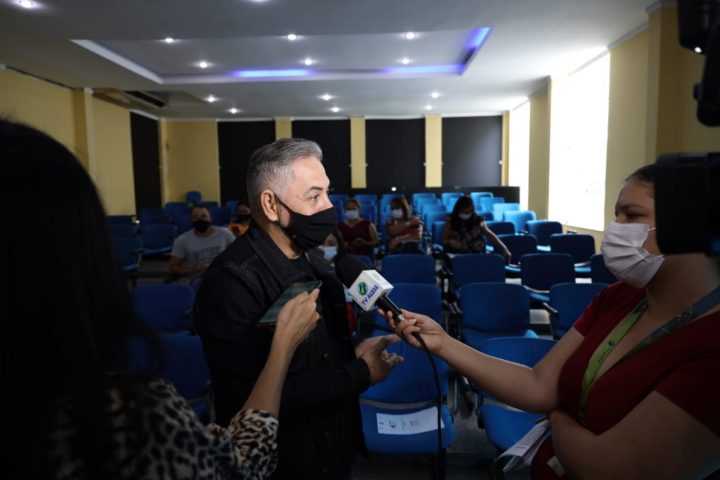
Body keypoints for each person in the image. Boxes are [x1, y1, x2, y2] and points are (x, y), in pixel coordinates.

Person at [1, 119, 322, 479]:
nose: (327, 206)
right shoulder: (123, 420)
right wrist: (282, 348)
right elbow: (239, 467)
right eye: (315, 195)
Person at [388, 164, 720, 479]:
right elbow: (539, 385)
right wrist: (444, 342)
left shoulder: (711, 342)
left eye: (631, 215)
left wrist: (560, 415)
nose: (616, 228)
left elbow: (605, 470)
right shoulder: (618, 297)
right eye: (616, 215)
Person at [194, 138, 402, 480]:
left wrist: (351, 351)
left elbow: (315, 354)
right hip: (284, 462)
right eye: (314, 196)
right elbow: (251, 398)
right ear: (271, 205)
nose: (329, 207)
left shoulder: (317, 263)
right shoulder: (231, 282)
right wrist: (360, 373)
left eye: (328, 193)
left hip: (333, 448)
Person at [169, 205, 235, 281]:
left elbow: (238, 253)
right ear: (191, 220)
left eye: (204, 216)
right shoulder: (182, 239)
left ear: (210, 218)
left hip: (224, 275)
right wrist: (193, 270)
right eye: (196, 217)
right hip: (199, 278)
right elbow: (173, 267)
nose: (200, 220)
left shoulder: (225, 233)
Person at [443, 195, 511, 260]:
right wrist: (450, 242)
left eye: (469, 212)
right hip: (458, 255)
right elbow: (445, 240)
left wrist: (504, 248)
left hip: (477, 253)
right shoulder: (450, 220)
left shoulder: (477, 220)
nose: (466, 214)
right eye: (464, 212)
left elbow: (489, 235)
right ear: (458, 210)